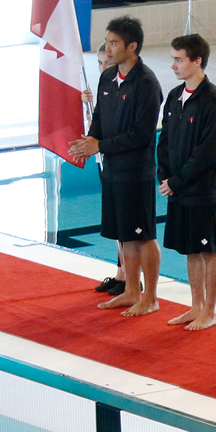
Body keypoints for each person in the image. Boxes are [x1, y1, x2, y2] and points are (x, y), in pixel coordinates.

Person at [68, 16, 163, 317]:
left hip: (136, 171)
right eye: (107, 42)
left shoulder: (146, 84)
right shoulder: (108, 78)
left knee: (143, 234)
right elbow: (99, 119)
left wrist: (100, 146)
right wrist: (90, 141)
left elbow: (142, 135)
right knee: (125, 233)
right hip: (113, 169)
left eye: (114, 43)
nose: (108, 49)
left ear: (132, 47)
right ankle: (131, 290)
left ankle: (151, 296)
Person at [156, 34, 216, 331]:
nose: (173, 65)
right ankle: (195, 305)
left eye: (179, 59)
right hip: (178, 189)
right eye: (173, 59)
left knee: (208, 251)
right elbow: (165, 139)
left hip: (201, 190)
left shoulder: (213, 99)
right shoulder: (174, 96)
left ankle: (210, 311)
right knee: (190, 249)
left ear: (197, 61)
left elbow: (208, 151)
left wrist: (178, 181)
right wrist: (165, 176)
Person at [85, 45, 126, 297]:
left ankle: (130, 277)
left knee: (126, 224)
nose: (103, 68)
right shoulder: (105, 87)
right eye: (100, 63)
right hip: (108, 162)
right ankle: (122, 273)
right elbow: (97, 126)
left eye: (107, 64)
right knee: (116, 222)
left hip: (123, 165)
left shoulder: (128, 89)